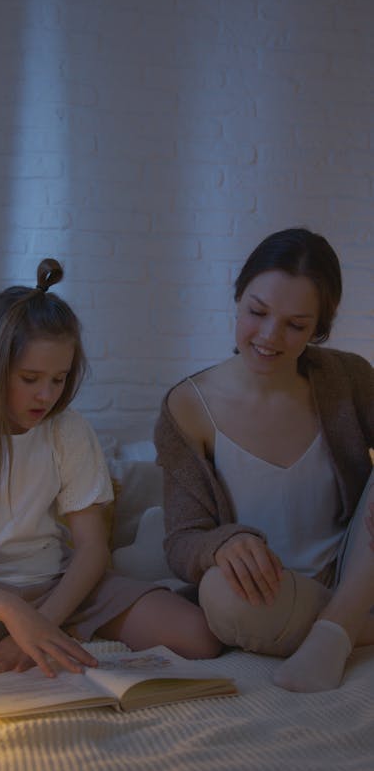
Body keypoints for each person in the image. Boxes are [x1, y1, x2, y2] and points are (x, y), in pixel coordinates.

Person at [0, 258, 219, 677]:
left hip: (58, 590)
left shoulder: (68, 430)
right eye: (30, 378)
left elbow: (92, 548)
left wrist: (45, 621)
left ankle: (32, 628)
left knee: (199, 636)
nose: (46, 395)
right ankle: (5, 629)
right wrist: (14, 614)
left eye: (58, 380)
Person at [154, 228, 374, 693]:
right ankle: (350, 622)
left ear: (319, 328)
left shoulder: (349, 379)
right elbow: (181, 541)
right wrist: (223, 545)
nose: (270, 337)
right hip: (272, 595)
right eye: (257, 312)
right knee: (218, 596)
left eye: (296, 325)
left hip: (359, 569)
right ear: (238, 297)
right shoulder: (188, 407)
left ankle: (334, 633)